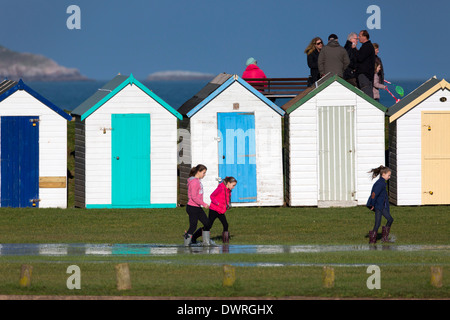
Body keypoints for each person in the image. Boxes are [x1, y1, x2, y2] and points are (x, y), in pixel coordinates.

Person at [192, 176, 237, 244]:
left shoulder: (229, 191)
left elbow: (226, 199)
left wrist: (227, 205)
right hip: (214, 210)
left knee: (225, 225)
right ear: (228, 183)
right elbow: (212, 196)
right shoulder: (221, 188)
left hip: (221, 211)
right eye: (233, 185)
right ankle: (194, 237)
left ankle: (225, 242)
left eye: (234, 186)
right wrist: (217, 203)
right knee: (208, 226)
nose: (233, 187)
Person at [366, 165, 394, 244]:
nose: (389, 177)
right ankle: (372, 241)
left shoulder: (382, 183)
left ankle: (384, 238)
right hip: (378, 206)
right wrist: (372, 204)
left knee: (390, 219)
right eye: (389, 175)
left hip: (382, 206)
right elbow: (374, 194)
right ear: (383, 174)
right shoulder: (379, 183)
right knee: (377, 224)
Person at [184, 164, 210, 246]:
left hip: (197, 207)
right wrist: (204, 204)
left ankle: (205, 242)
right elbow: (194, 197)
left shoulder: (197, 181)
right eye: (203, 173)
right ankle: (186, 244)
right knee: (193, 226)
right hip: (192, 207)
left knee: (207, 224)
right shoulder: (194, 182)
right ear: (198, 172)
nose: (204, 175)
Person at [356, 30, 376, 98]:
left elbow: (360, 58)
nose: (358, 38)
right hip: (368, 75)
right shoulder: (367, 46)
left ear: (365, 37)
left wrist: (355, 49)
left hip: (365, 75)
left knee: (367, 96)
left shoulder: (367, 47)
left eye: (360, 36)